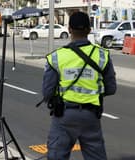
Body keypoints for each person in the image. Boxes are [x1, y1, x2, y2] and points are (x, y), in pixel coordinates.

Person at [42, 11, 116, 160]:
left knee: (56, 156)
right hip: (91, 116)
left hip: (64, 116)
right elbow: (111, 88)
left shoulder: (57, 57)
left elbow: (47, 92)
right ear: (89, 30)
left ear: (69, 29)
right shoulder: (102, 55)